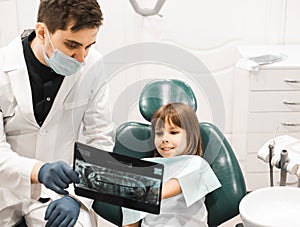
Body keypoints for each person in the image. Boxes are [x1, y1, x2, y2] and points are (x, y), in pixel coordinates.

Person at [0, 0, 115, 226]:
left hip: (58, 192)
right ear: (42, 32)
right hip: (4, 187)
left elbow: (100, 139)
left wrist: (77, 197)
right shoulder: (2, 69)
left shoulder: (93, 65)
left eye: (89, 45)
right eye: (72, 45)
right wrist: (38, 170)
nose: (81, 57)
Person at [122, 103, 221, 227]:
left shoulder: (196, 164)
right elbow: (131, 218)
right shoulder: (145, 166)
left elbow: (172, 187)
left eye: (173, 132)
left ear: (191, 136)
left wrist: (139, 190)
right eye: (159, 133)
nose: (164, 139)